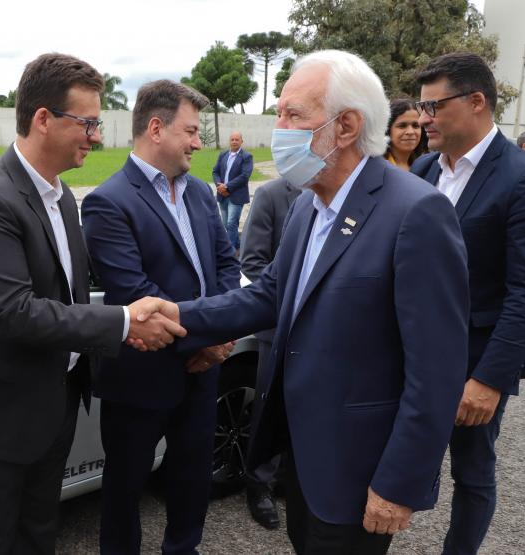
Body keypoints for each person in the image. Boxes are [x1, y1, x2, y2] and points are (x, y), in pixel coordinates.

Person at [134, 50, 469, 554]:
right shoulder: (309, 206)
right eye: (280, 113)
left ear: (348, 126)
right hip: (303, 461)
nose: (279, 127)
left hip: (360, 473)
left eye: (294, 114)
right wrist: (179, 314)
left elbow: (437, 371)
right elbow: (270, 295)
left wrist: (399, 484)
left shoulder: (416, 213)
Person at [0, 53, 184, 555]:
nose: (97, 136)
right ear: (43, 118)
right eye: (87, 122)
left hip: (49, 407)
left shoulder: (61, 198)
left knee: (39, 537)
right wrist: (126, 322)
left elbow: (68, 293)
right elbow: (12, 311)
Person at [82, 80, 239, 555]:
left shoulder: (197, 192)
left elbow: (227, 266)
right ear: (156, 128)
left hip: (202, 373)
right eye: (191, 131)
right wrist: (207, 339)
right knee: (125, 488)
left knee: (192, 481)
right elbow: (136, 294)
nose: (198, 142)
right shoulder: (108, 201)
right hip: (142, 375)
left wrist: (223, 336)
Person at [410, 52, 525, 555]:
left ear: (476, 102)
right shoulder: (424, 169)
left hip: (474, 360)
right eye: (421, 109)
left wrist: (488, 380)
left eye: (432, 107)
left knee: (471, 472)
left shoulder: (524, 177)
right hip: (411, 351)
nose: (423, 119)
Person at [236, 176, 301, 530]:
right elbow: (253, 263)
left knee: (303, 405)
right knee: (269, 407)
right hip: (277, 325)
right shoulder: (271, 195)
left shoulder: (337, 193)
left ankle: (287, 479)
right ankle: (258, 483)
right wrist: (294, 304)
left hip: (318, 329)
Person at [211, 130, 254, 256]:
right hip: (222, 195)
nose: (234, 142)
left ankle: (229, 252)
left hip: (236, 196)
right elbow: (215, 171)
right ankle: (238, 246)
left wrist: (227, 187)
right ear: (229, 141)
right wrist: (219, 185)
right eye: (232, 139)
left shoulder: (247, 156)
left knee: (231, 223)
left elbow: (245, 176)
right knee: (226, 224)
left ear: (241, 141)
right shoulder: (223, 154)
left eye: (237, 139)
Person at [384, 99, 427, 170]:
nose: (410, 132)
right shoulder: (377, 166)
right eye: (402, 126)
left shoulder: (427, 167)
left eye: (415, 126)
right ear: (388, 130)